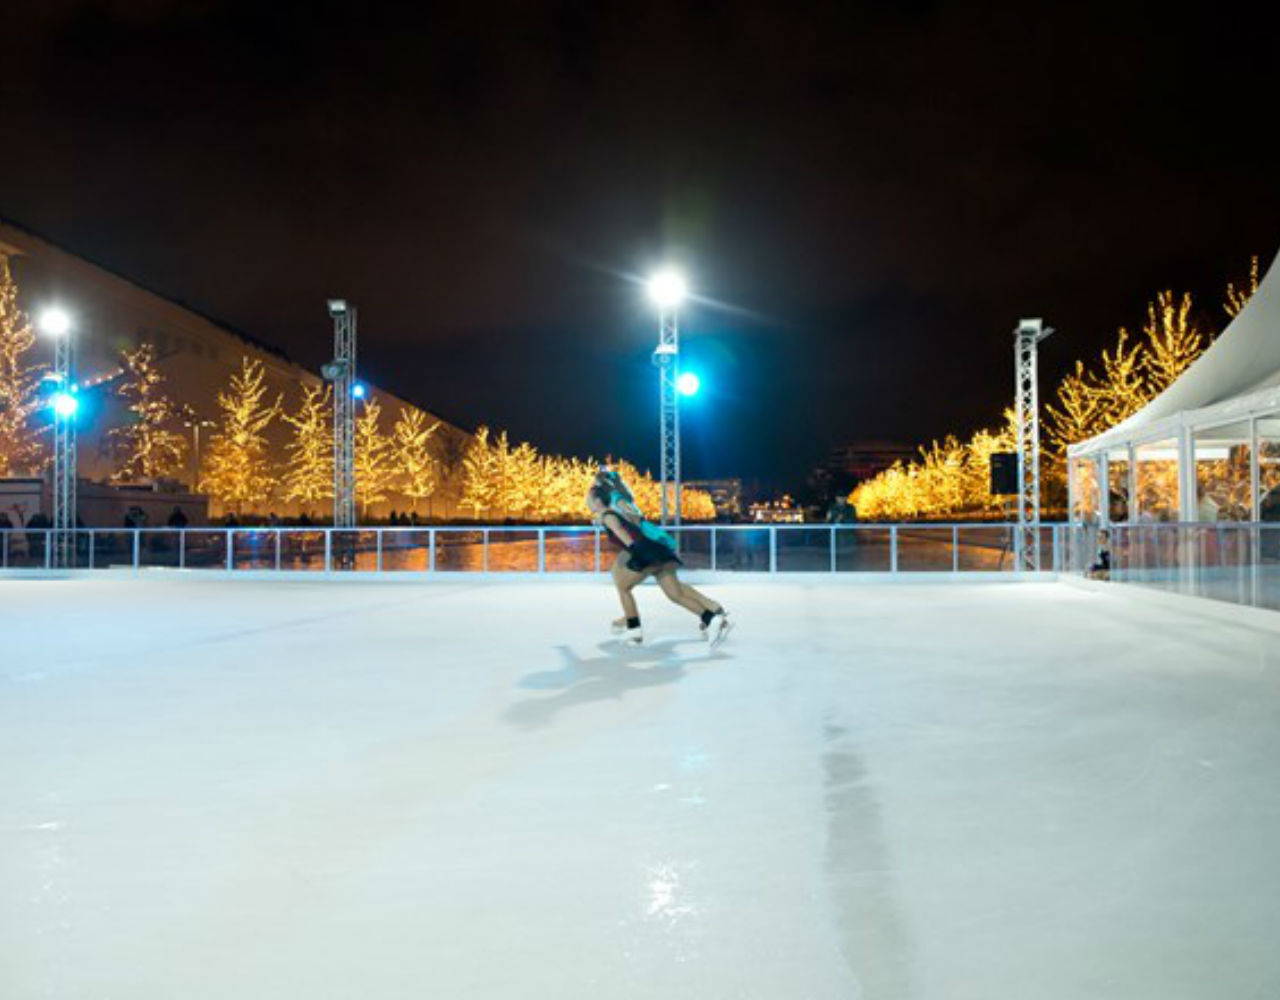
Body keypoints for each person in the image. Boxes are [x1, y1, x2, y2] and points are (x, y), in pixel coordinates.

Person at [586, 467, 731, 646]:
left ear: (600, 496)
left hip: (647, 547)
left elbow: (624, 526)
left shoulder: (615, 503)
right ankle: (712, 616)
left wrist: (636, 548)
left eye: (590, 495)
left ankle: (633, 627)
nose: (587, 498)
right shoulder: (618, 500)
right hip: (655, 547)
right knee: (674, 593)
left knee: (624, 587)